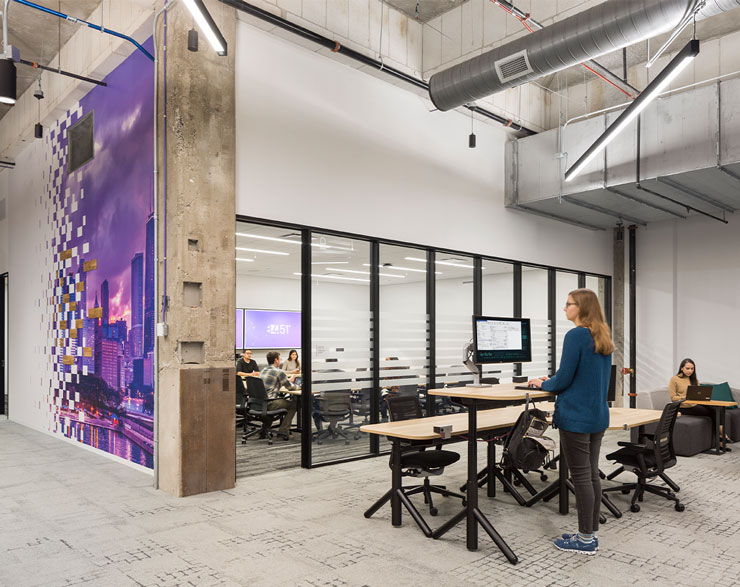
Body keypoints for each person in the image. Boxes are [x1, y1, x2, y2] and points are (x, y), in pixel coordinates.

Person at [528, 288, 613, 555]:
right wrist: (553, 380)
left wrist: (543, 383)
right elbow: (582, 375)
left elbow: (564, 379)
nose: (564, 308)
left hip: (576, 416)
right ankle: (590, 534)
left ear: (582, 308)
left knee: (580, 477)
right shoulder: (602, 336)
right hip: (597, 415)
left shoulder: (576, 334)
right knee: (590, 474)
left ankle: (585, 540)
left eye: (569, 304)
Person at [669, 358, 717, 438]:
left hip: (695, 404)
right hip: (683, 407)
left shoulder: (694, 380)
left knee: (718, 409)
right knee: (714, 412)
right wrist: (687, 397)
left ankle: (722, 436)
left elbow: (698, 396)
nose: (690, 371)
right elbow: (673, 398)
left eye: (692, 369)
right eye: (687, 368)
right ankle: (720, 438)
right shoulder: (674, 379)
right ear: (681, 368)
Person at [260, 351, 298, 440]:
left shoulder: (263, 370)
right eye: (279, 358)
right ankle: (283, 432)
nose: (280, 360)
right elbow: (290, 388)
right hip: (271, 402)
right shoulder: (279, 372)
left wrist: (287, 380)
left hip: (260, 403)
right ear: (276, 360)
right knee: (294, 404)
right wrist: (298, 386)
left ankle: (264, 430)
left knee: (280, 401)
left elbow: (272, 383)